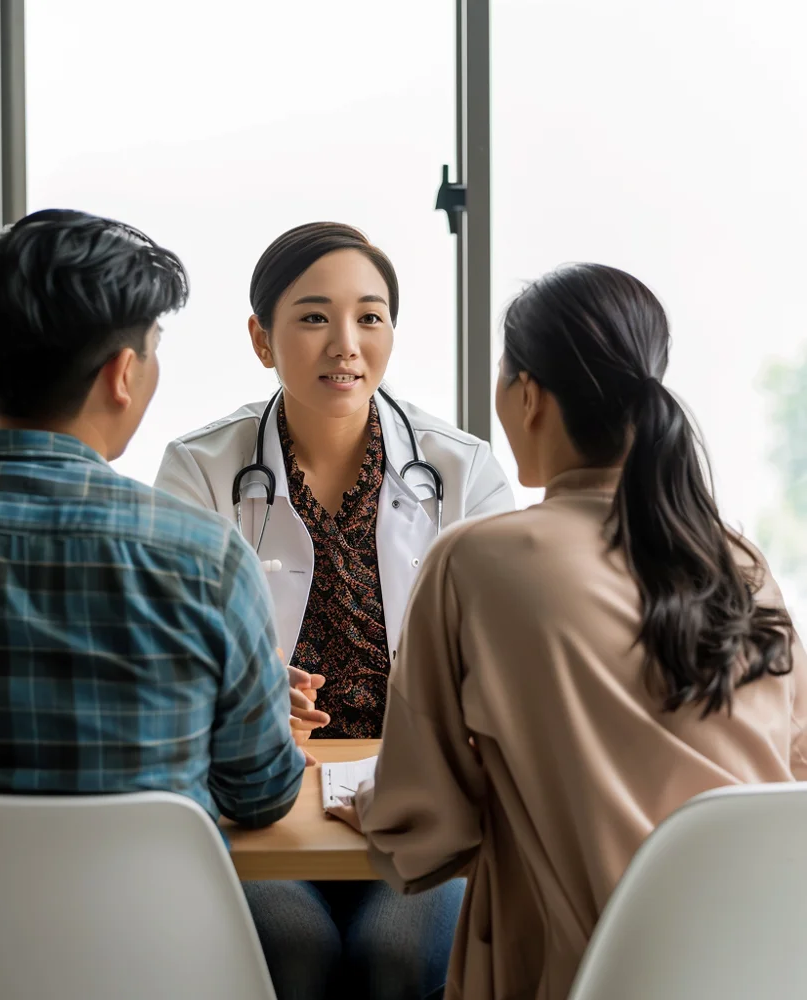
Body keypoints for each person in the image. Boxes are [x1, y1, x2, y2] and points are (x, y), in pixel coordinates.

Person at [330, 263, 807, 1000]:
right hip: (755, 970)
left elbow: (425, 827)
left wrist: (368, 801)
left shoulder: (475, 560)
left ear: (528, 396)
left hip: (578, 977)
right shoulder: (740, 562)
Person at [0, 209, 311, 866]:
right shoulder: (204, 559)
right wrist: (256, 707)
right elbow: (261, 794)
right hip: (154, 962)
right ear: (122, 374)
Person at [154, 222, 514, 1000]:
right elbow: (167, 667)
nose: (346, 345)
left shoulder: (462, 469)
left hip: (417, 809)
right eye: (314, 317)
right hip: (258, 809)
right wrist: (246, 699)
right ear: (261, 337)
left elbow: (504, 668)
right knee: (294, 948)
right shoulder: (199, 470)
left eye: (370, 317)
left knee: (394, 957)